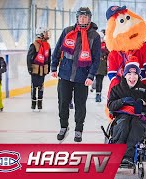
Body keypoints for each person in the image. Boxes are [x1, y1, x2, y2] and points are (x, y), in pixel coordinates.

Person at [105, 6, 146, 117]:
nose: (128, 26)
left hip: (143, 90)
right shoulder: (113, 55)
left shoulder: (145, 49)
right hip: (124, 92)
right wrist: (116, 96)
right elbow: (114, 79)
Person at [51, 7, 101, 142]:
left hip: (82, 77)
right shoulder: (67, 31)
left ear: (89, 19)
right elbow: (57, 49)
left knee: (80, 105)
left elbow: (96, 59)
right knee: (63, 102)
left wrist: (91, 76)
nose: (82, 19)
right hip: (65, 74)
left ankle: (78, 129)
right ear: (77, 18)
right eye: (80, 17)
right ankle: (63, 126)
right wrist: (54, 66)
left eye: (85, 17)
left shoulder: (94, 36)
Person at [108, 59, 146, 164]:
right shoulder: (116, 89)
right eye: (129, 74)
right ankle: (117, 152)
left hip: (140, 116)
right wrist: (122, 101)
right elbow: (110, 105)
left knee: (135, 124)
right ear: (125, 75)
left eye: (135, 74)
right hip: (122, 116)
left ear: (139, 76)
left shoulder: (145, 89)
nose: (132, 77)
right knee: (123, 123)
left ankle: (128, 156)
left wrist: (144, 103)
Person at [27, 27, 51, 110]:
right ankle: (33, 103)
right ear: (41, 34)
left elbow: (48, 58)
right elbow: (29, 57)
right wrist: (29, 68)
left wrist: (48, 68)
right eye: (45, 33)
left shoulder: (47, 45)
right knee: (34, 86)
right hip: (35, 69)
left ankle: (40, 102)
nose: (47, 35)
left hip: (43, 69)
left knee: (41, 86)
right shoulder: (34, 45)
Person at [95, 29, 109, 102]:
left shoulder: (105, 45)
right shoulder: (94, 44)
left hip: (102, 65)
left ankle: (98, 94)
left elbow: (109, 54)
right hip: (96, 65)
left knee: (100, 80)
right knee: (98, 80)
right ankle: (98, 94)